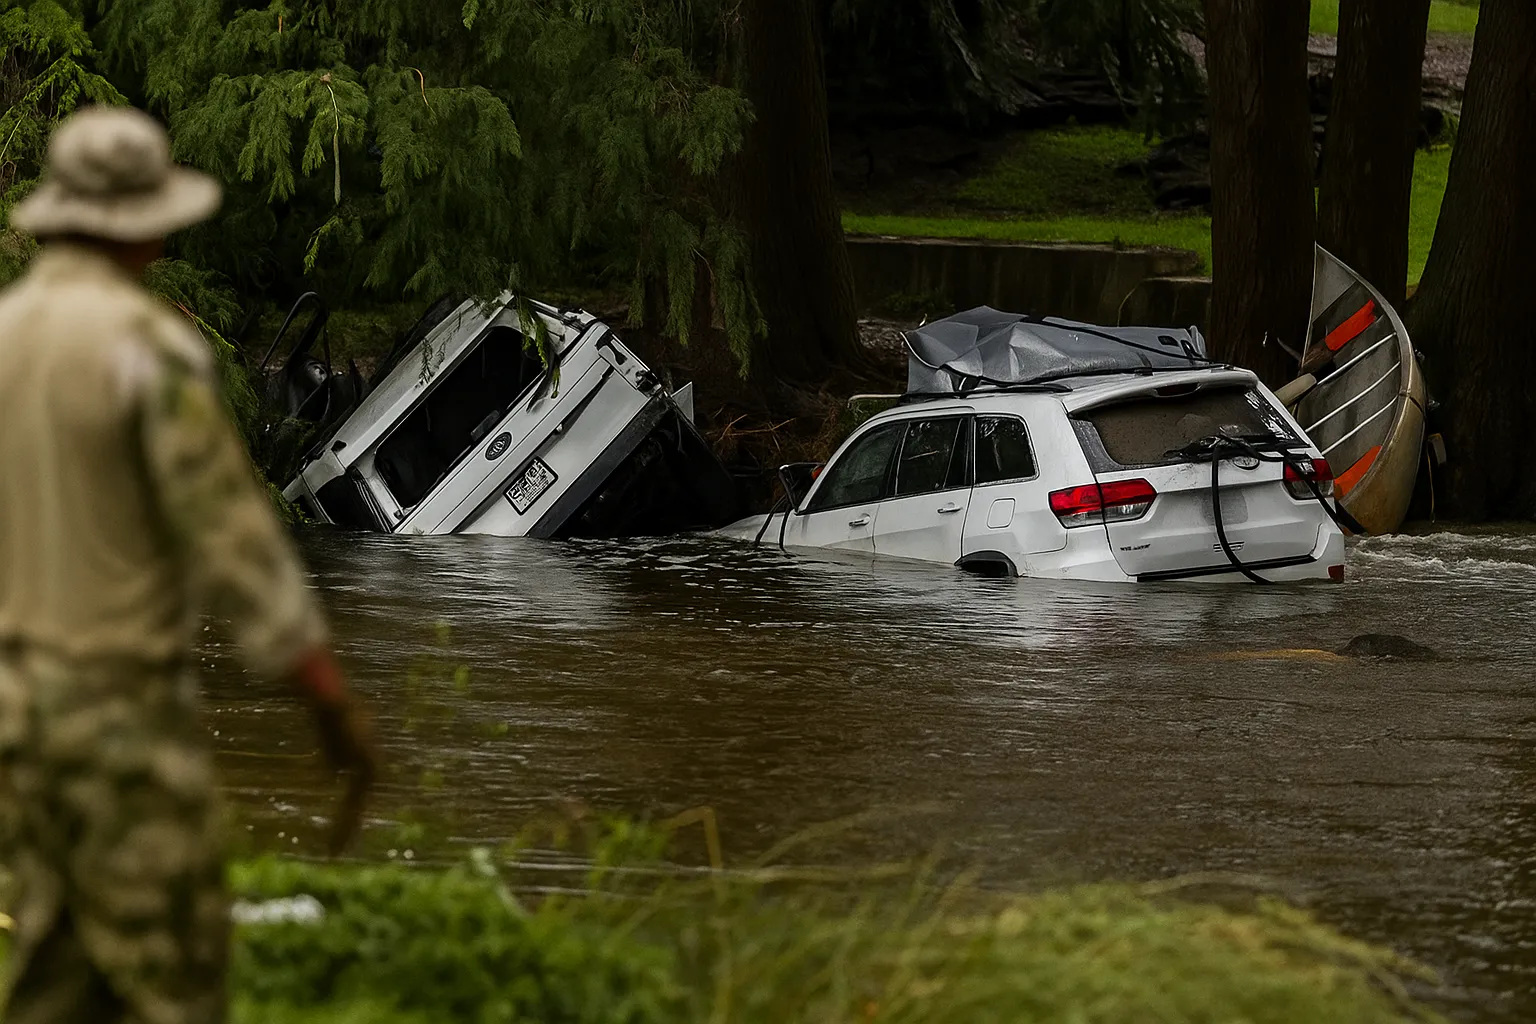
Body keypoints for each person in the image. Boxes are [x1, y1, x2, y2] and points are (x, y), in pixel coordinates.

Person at [0, 106, 377, 1022]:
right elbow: (230, 540)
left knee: (55, 979)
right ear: (151, 226)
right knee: (177, 983)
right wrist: (325, 693)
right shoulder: (147, 348)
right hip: (116, 719)